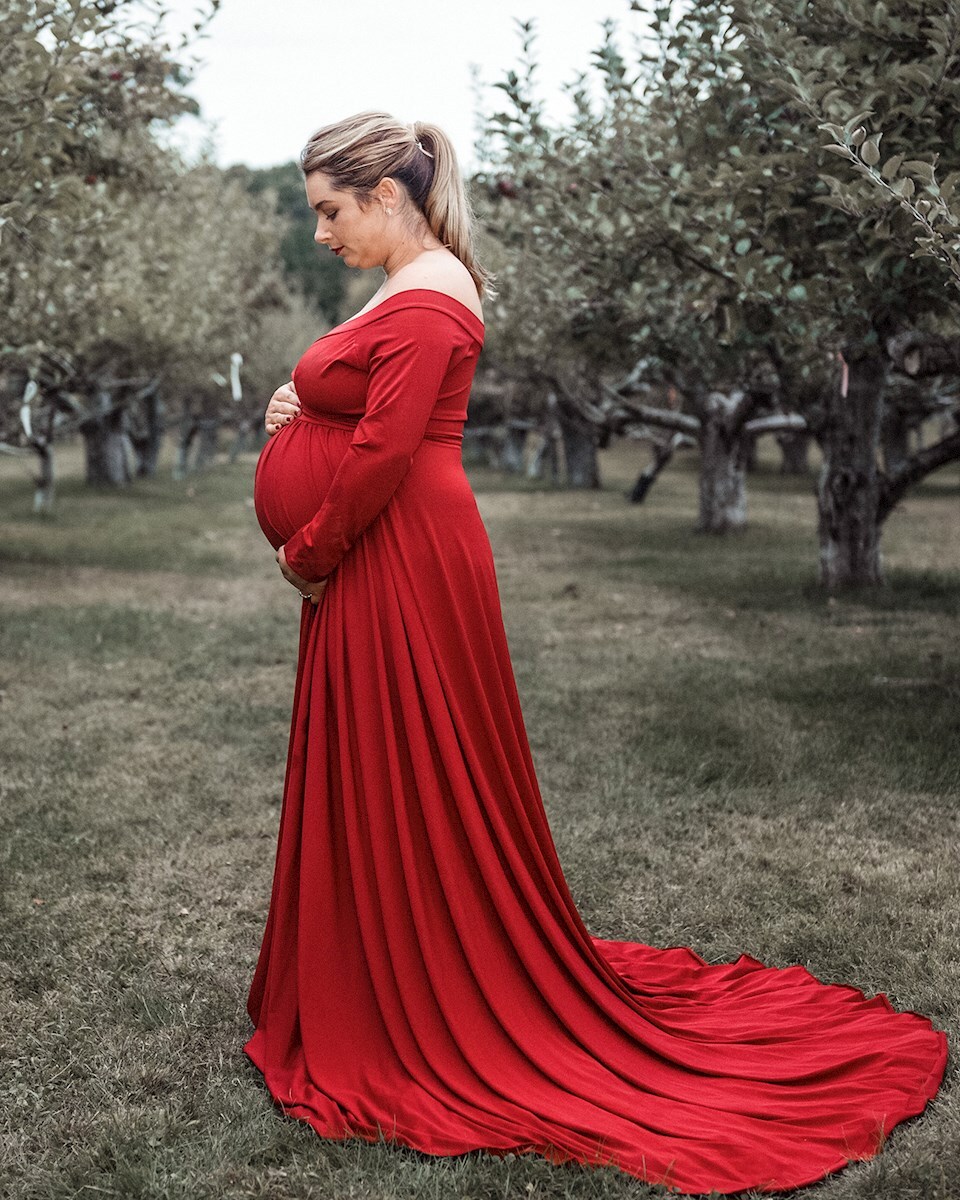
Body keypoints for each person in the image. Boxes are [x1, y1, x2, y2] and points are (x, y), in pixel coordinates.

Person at [247, 111, 946, 1196]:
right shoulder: (412, 282)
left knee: (418, 766)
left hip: (393, 552)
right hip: (384, 551)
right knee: (393, 767)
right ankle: (382, 961)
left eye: (332, 211)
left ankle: (421, 982)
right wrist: (302, 403)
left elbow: (385, 452)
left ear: (388, 194)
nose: (323, 233)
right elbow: (363, 409)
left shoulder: (431, 293)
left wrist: (307, 550)